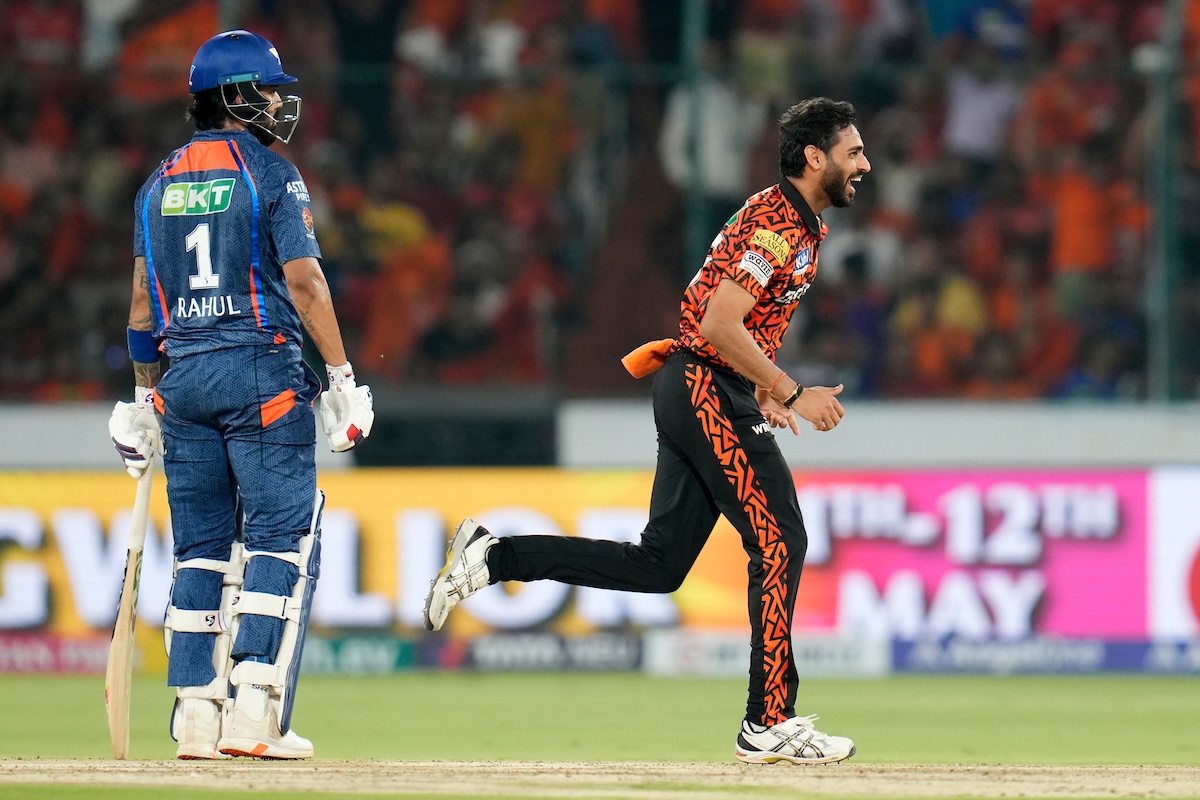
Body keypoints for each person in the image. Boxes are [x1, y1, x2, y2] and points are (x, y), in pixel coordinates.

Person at [424, 97, 867, 765]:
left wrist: (758, 387)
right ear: (815, 158)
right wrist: (789, 390)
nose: (864, 164)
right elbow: (720, 323)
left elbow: (731, 325)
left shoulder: (791, 221)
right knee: (780, 538)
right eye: (853, 151)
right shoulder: (779, 225)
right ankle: (767, 721)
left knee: (659, 566)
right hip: (703, 387)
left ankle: (496, 557)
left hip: (705, 387)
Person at [107, 29, 374, 761]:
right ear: (231, 96)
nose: (279, 102)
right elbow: (306, 281)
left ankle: (195, 713)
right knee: (278, 542)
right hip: (260, 370)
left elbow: (140, 302)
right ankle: (255, 713)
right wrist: (346, 378)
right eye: (266, 89)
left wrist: (139, 398)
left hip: (183, 382)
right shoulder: (272, 173)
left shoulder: (157, 182)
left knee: (198, 552)